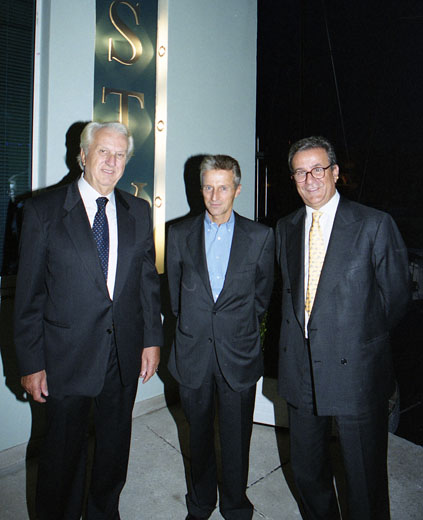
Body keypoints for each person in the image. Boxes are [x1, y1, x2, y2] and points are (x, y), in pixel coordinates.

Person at [14, 121, 163, 520]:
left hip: (122, 353)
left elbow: (147, 282)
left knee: (113, 449)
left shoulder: (138, 210)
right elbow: (28, 297)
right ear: (83, 155)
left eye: (120, 155)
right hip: (65, 356)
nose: (112, 162)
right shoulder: (43, 211)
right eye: (103, 152)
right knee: (61, 455)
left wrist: (152, 339)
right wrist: (31, 363)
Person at [276, 135, 411, 520]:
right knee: (307, 473)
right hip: (302, 371)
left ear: (335, 172)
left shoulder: (374, 225)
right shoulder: (285, 228)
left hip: (357, 373)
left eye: (318, 169)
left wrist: (355, 337)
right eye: (300, 172)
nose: (310, 179)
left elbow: (396, 299)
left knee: (364, 480)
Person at [167, 155, 274, 520]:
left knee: (236, 438)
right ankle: (200, 503)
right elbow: (175, 296)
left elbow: (262, 297)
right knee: (197, 435)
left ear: (237, 190)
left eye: (223, 188)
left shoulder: (260, 237)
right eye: (208, 187)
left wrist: (235, 327)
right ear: (200, 189)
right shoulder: (178, 234)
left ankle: (235, 505)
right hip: (193, 350)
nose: (215, 196)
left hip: (237, 353)